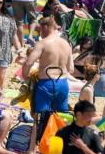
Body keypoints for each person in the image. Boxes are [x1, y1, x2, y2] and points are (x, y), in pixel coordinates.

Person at [24, 16, 73, 145]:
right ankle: (58, 144)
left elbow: (29, 62)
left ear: (45, 27)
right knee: (60, 116)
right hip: (62, 83)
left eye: (40, 29)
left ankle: (33, 147)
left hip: (46, 82)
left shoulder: (43, 43)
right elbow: (71, 69)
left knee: (37, 116)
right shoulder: (66, 44)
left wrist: (25, 76)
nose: (39, 32)